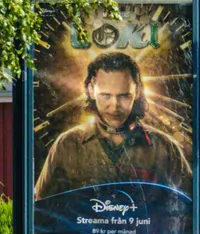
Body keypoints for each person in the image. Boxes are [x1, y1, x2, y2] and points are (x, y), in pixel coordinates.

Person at [34, 51, 191, 200]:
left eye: (123, 96)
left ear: (137, 92)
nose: (114, 106)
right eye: (106, 95)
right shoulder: (66, 145)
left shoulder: (165, 147)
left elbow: (190, 207)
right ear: (91, 90)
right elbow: (41, 208)